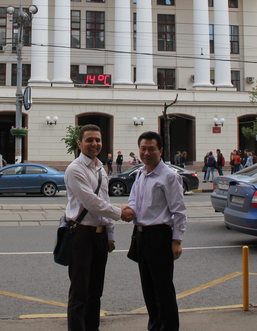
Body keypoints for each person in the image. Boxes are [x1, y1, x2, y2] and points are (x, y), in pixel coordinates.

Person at [64, 124, 134, 331]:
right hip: (81, 237)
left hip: (99, 237)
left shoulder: (100, 167)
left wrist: (110, 234)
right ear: (79, 144)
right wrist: (121, 213)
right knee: (79, 293)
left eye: (98, 140)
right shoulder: (75, 169)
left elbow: (104, 199)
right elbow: (92, 203)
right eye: (89, 140)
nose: (94, 144)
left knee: (95, 292)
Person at [123, 131, 187, 331]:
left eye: (151, 149)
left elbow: (179, 211)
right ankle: (155, 327)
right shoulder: (141, 173)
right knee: (149, 290)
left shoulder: (169, 176)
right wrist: (130, 209)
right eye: (143, 148)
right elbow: (133, 198)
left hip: (160, 237)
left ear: (160, 150)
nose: (147, 153)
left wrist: (176, 240)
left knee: (163, 290)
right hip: (141, 236)